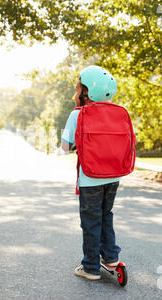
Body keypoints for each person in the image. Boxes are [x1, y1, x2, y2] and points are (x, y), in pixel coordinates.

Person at [61, 65, 121, 280]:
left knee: (90, 220)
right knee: (106, 215)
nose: (74, 94)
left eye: (77, 90)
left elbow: (65, 146)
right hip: (114, 176)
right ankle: (111, 256)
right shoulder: (117, 113)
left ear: (87, 93)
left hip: (90, 178)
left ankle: (90, 267)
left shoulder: (77, 114)